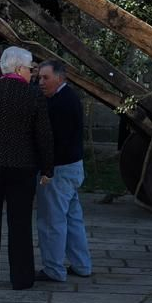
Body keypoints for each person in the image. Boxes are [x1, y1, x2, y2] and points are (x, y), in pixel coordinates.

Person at [0, 46, 54, 290]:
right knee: (20, 223)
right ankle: (22, 277)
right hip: (21, 167)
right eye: (29, 68)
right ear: (18, 68)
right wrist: (47, 167)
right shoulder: (33, 96)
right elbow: (43, 136)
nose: (32, 73)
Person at [35, 59, 93, 283]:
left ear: (60, 77)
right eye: (39, 77)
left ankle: (53, 269)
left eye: (45, 78)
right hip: (72, 166)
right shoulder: (67, 98)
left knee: (52, 221)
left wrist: (45, 170)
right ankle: (81, 264)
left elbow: (52, 141)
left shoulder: (60, 103)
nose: (41, 82)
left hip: (58, 169)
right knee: (72, 218)